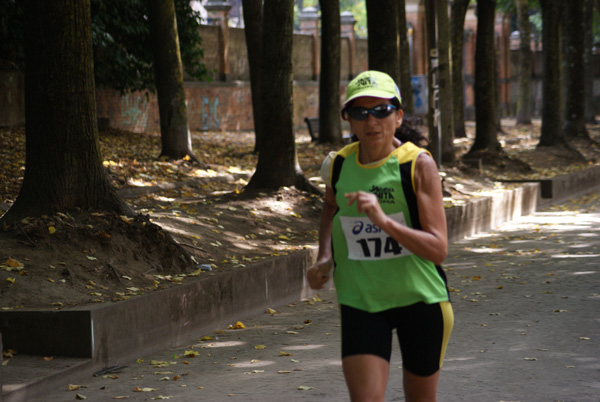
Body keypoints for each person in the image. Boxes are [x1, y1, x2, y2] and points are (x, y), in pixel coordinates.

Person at [307, 70, 453, 402]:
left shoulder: (417, 165)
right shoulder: (339, 165)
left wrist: (383, 221)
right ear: (349, 121)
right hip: (362, 301)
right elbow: (330, 210)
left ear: (398, 116)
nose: (371, 120)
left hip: (422, 300)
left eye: (382, 110)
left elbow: (438, 249)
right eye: (360, 112)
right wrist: (325, 257)